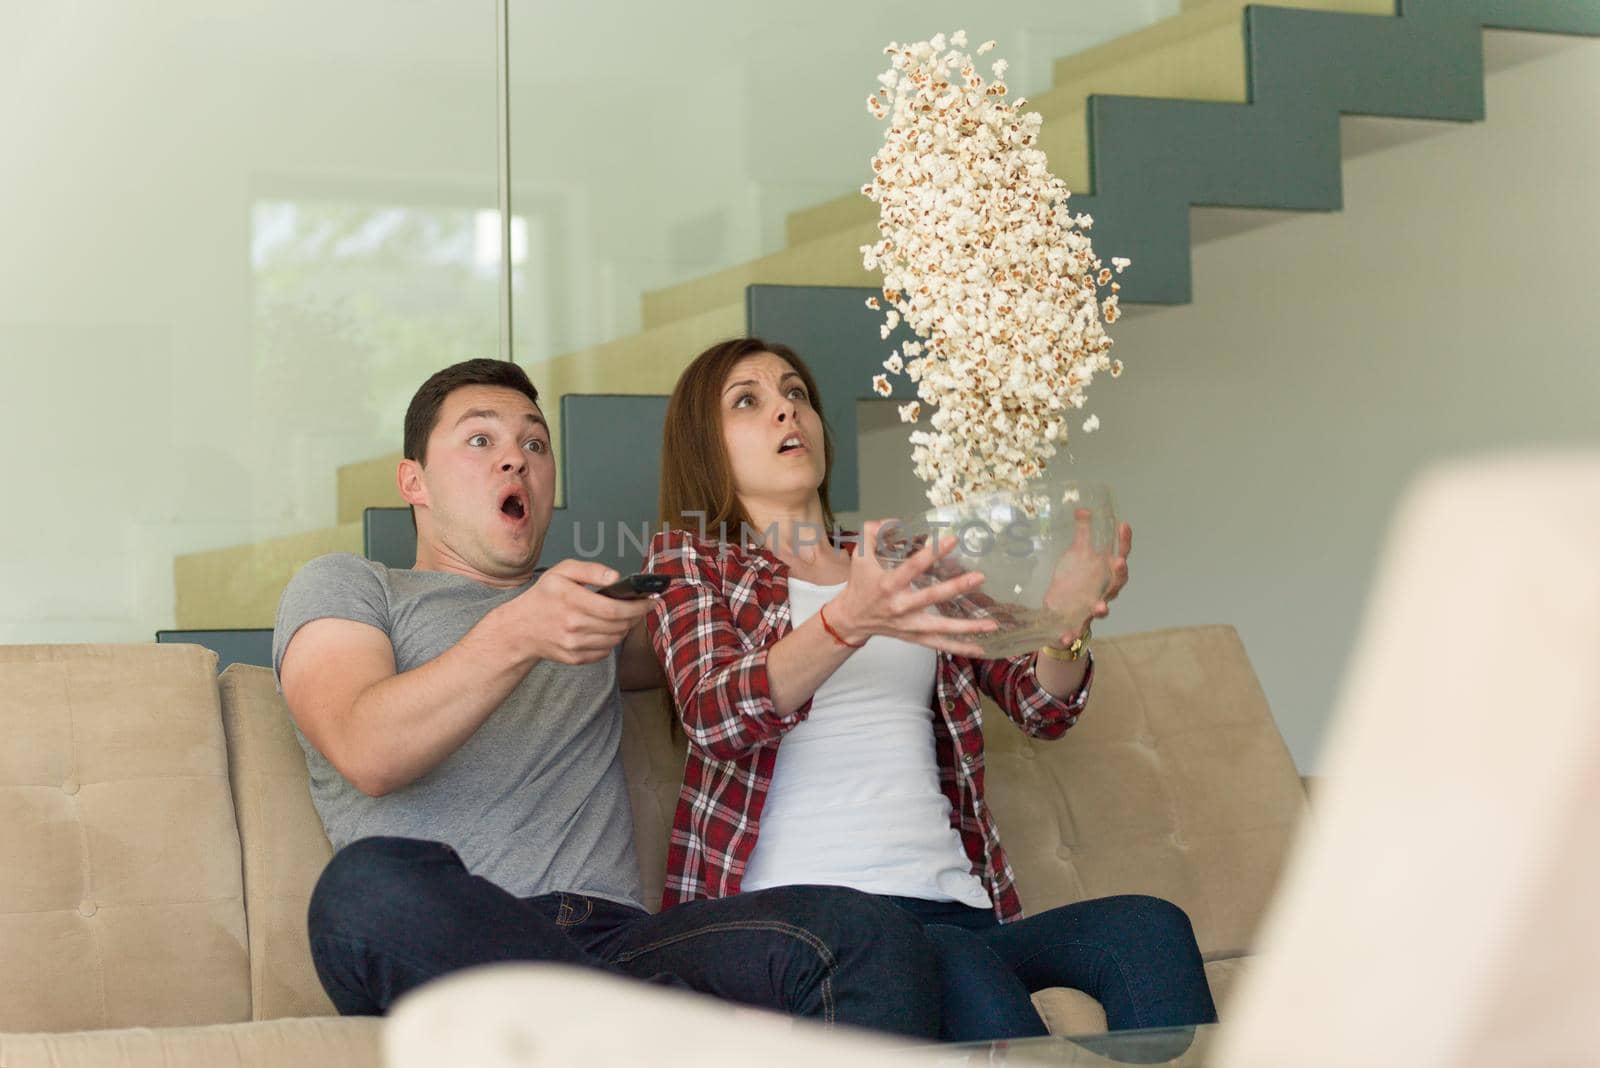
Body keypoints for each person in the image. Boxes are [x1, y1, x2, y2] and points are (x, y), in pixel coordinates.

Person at [273, 357, 940, 1037]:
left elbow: (736, 658)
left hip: (623, 944)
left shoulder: (598, 613)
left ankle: (619, 1027)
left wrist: (861, 580)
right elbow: (366, 749)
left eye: (535, 443)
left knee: (858, 929)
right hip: (457, 940)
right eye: (481, 441)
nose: (516, 460)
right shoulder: (354, 586)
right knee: (362, 889)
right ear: (412, 480)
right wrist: (520, 631)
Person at [644, 338, 1218, 1042]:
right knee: (952, 969)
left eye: (796, 393)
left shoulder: (899, 557)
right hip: (812, 930)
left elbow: (1040, 703)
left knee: (1147, 928)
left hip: (958, 906)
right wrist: (847, 620)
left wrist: (1065, 625)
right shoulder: (694, 560)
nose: (785, 412)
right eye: (748, 401)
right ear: (705, 447)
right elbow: (716, 713)